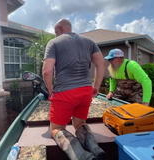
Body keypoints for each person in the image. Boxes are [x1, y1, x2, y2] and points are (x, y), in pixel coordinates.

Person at [43, 19, 107, 160]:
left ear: (60, 28)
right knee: (80, 124)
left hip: (65, 92)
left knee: (57, 129)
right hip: (85, 91)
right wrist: (95, 86)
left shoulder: (54, 43)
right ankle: (96, 150)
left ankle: (83, 157)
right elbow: (101, 63)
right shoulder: (89, 41)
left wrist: (50, 89)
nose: (55, 35)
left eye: (55, 32)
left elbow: (47, 71)